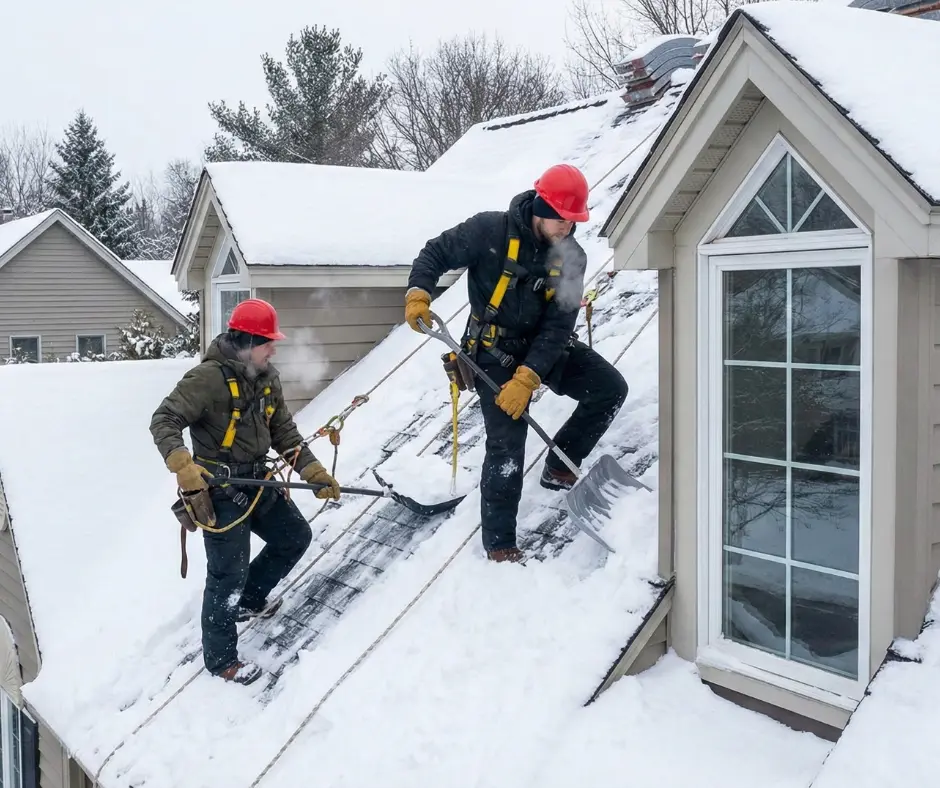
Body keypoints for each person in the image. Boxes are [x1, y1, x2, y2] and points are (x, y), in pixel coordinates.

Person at [404, 164, 628, 563]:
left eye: (574, 221)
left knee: (609, 388)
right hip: (492, 351)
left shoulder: (571, 257)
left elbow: (559, 326)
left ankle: (562, 463)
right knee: (507, 445)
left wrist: (528, 376)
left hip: (543, 349)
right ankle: (500, 544)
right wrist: (419, 291)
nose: (568, 228)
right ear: (541, 208)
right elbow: (435, 252)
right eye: (562, 219)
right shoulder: (488, 230)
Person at [150, 298, 341, 685]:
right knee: (226, 575)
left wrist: (312, 469)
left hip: (258, 481)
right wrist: (183, 466)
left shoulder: (267, 378)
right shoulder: (207, 379)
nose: (274, 348)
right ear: (246, 342)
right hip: (219, 489)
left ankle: (248, 601)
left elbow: (283, 431)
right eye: (268, 342)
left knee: (294, 537)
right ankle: (222, 661)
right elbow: (164, 419)